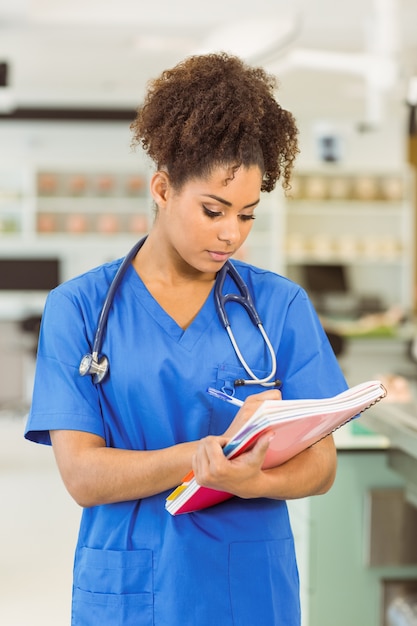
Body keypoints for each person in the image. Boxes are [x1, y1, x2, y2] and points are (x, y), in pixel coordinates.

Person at [25, 52, 348, 626]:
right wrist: (202, 459)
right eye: (213, 209)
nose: (231, 234)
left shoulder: (279, 306)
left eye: (248, 215)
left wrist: (252, 479)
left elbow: (321, 466)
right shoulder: (79, 309)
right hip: (129, 586)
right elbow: (83, 476)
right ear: (162, 187)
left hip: (248, 586)